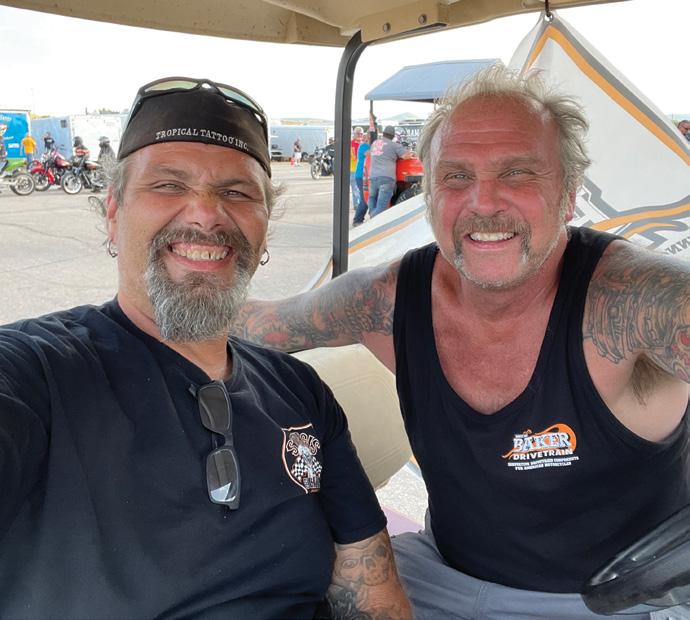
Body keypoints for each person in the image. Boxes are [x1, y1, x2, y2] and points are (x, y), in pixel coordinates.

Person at [233, 65, 690, 619]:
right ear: (428, 196)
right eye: (455, 177)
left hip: (614, 603)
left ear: (569, 195)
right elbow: (263, 324)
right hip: (439, 577)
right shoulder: (387, 300)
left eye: (517, 173)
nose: (484, 202)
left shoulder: (634, 301)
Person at [0, 77, 411, 620]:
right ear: (113, 214)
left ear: (265, 227)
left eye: (237, 193)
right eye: (169, 185)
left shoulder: (299, 391)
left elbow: (371, 587)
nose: (205, 213)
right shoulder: (38, 370)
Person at [367, 125, 414, 218]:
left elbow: (369, 154)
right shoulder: (393, 145)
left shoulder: (374, 143)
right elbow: (406, 156)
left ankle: (372, 218)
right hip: (386, 178)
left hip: (373, 176)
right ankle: (374, 220)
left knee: (372, 198)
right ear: (393, 136)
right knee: (382, 207)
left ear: (383, 134)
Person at [352, 130, 373, 226]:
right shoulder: (364, 146)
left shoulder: (370, 146)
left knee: (368, 197)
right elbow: (371, 154)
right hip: (361, 176)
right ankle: (357, 220)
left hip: (368, 176)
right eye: (369, 135)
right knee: (364, 199)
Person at [350, 126, 364, 209]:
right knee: (355, 189)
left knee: (362, 189)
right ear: (354, 134)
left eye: (361, 133)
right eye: (358, 133)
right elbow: (354, 157)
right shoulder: (351, 144)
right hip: (354, 170)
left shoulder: (363, 144)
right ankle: (357, 205)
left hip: (363, 170)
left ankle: (361, 204)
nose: (360, 135)